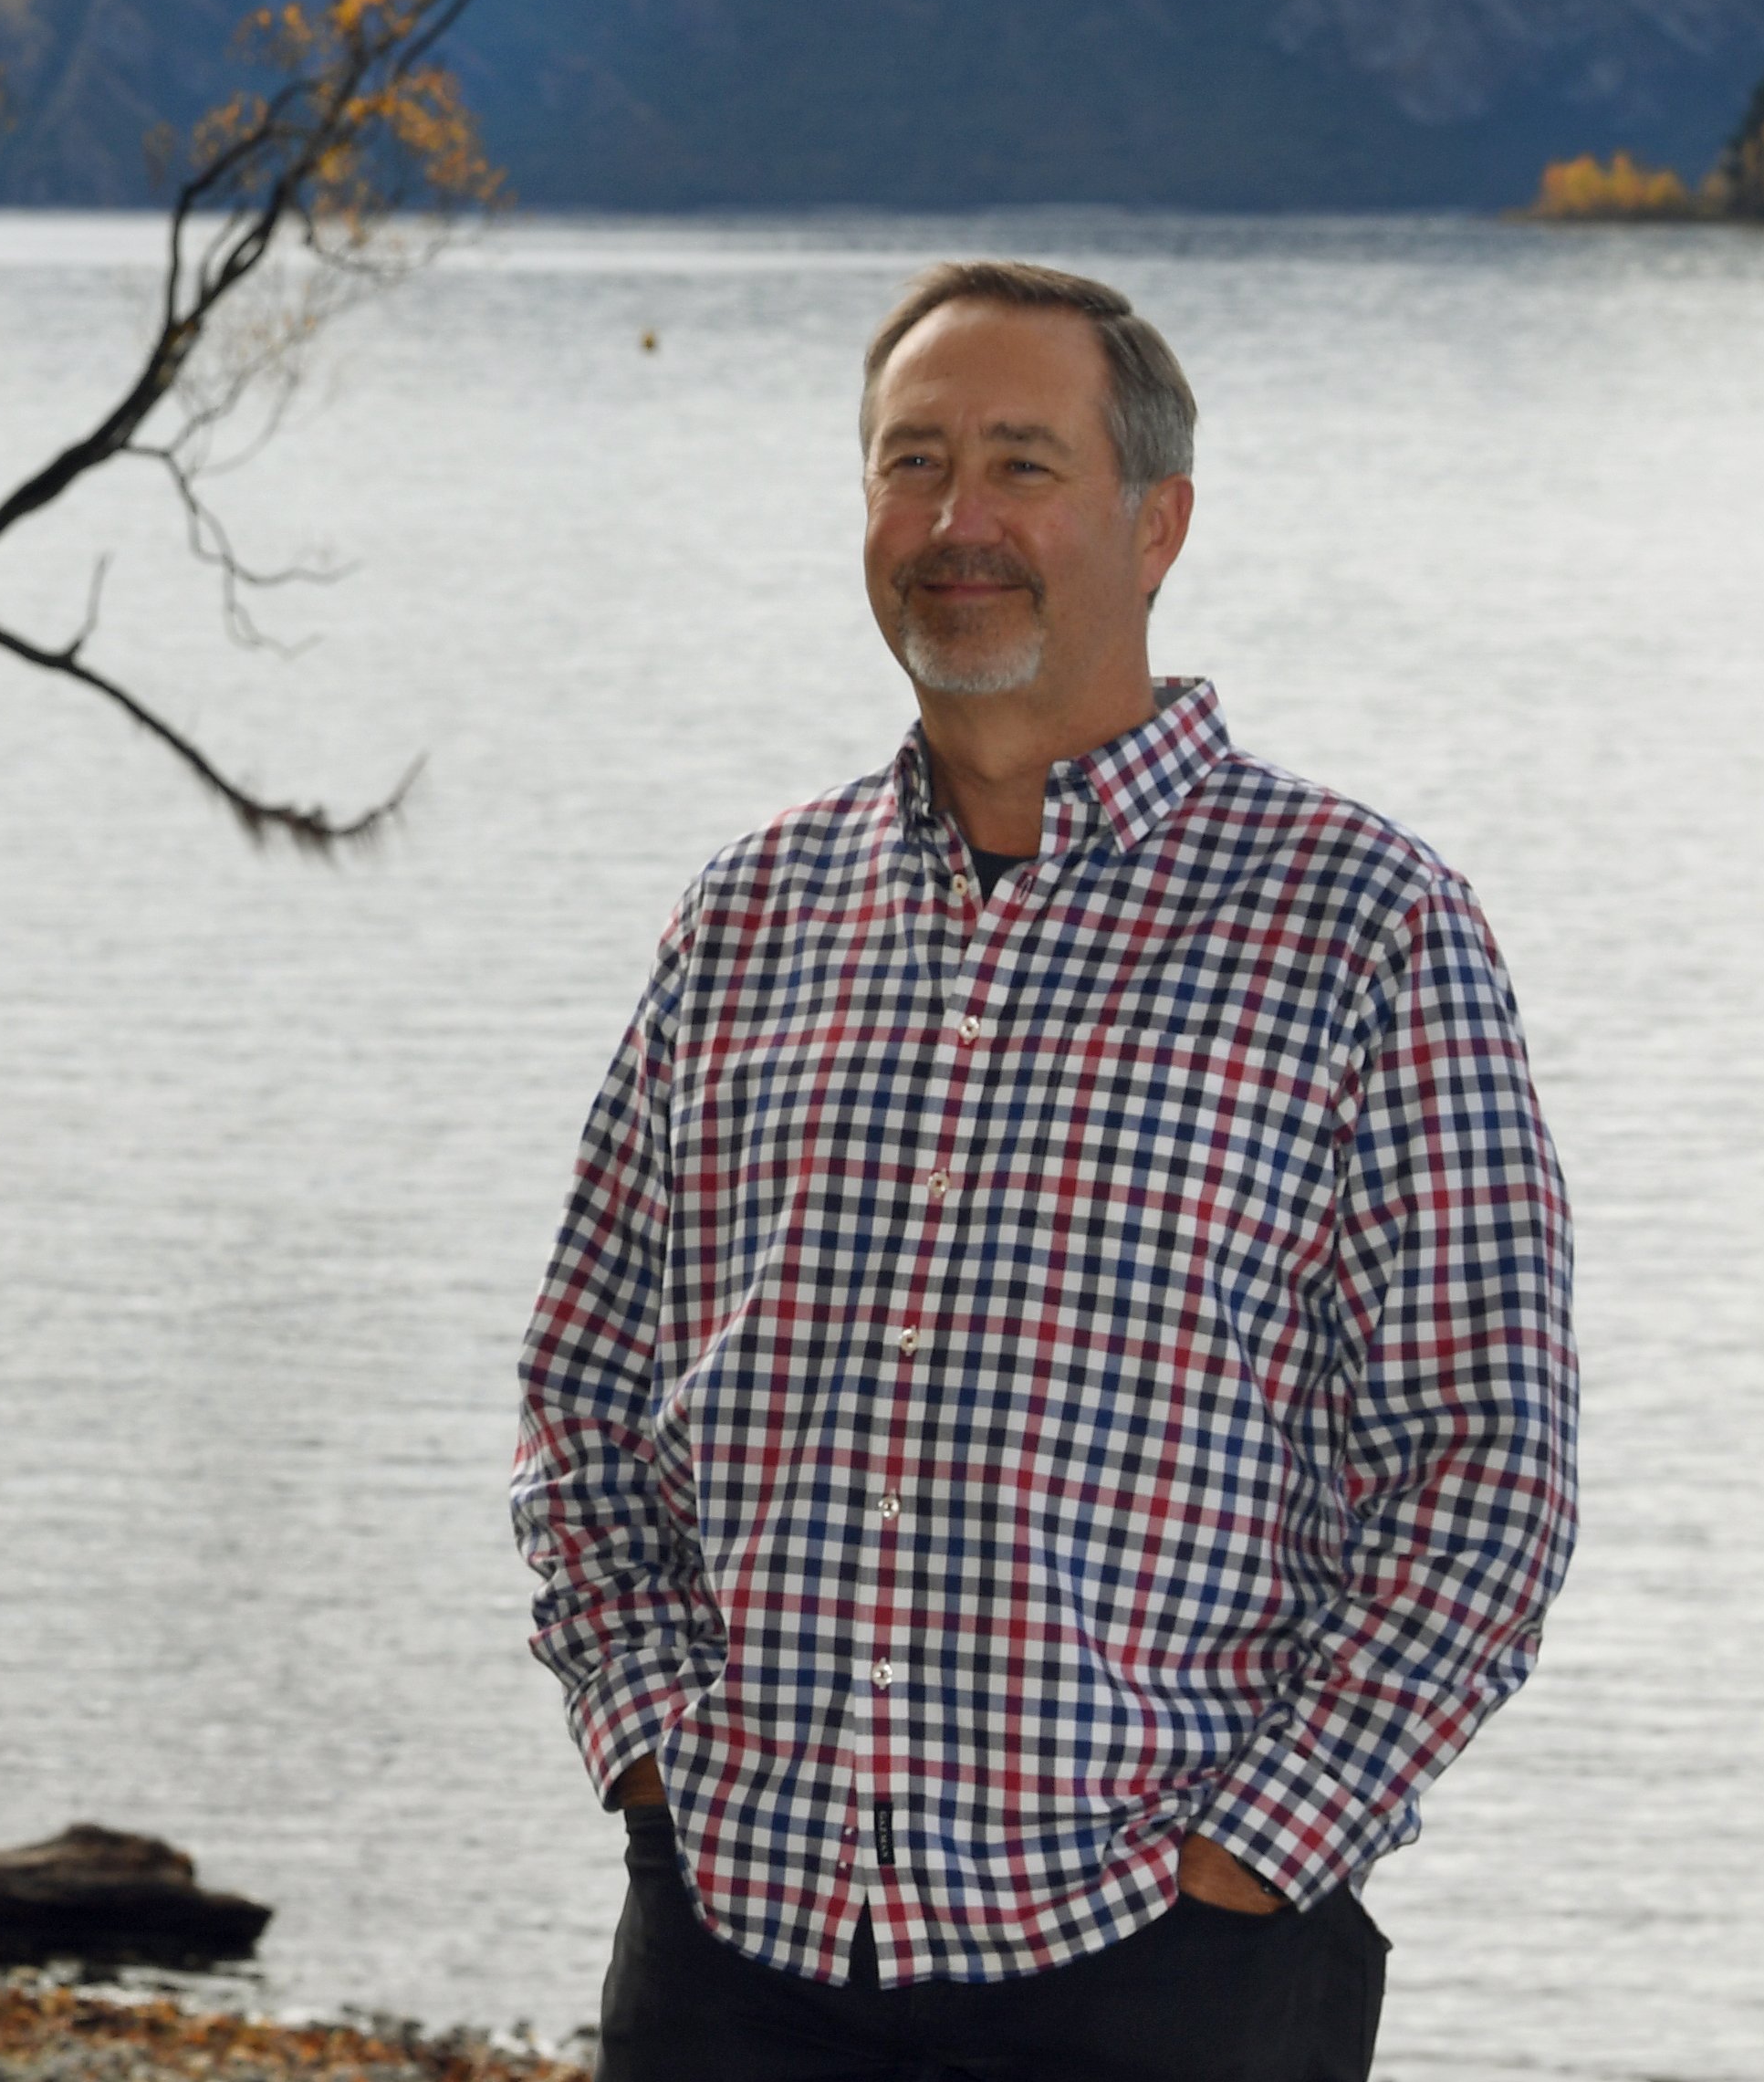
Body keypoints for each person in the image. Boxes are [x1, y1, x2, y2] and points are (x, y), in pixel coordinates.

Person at [508, 260, 1574, 2080]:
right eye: (908, 462)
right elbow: (584, 1397)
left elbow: (1481, 1470)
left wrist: (1266, 1843)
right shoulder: (751, 910)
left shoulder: (1360, 925)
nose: (953, 522)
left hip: (1154, 1969)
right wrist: (648, 1743)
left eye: (1019, 463)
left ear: (1154, 523)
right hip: (729, 1953)